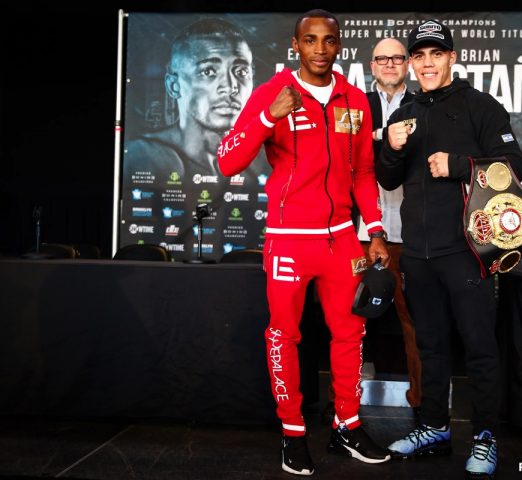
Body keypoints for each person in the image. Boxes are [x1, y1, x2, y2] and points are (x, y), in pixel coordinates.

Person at [217, 9, 391, 476]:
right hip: (290, 240)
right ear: (295, 45)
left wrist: (374, 231)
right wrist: (264, 119)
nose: (319, 49)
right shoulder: (271, 94)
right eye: (310, 40)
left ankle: (347, 425)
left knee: (351, 335)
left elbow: (364, 173)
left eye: (328, 41)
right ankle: (292, 432)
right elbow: (228, 162)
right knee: (285, 336)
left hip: (342, 242)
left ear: (339, 46)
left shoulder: (354, 99)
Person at [377, 20, 522, 478]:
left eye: (435, 55)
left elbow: (515, 165)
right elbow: (387, 179)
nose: (426, 63)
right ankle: (435, 428)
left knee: (479, 348)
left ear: (451, 58)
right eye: (419, 55)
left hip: (466, 251)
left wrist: (461, 165)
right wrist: (392, 146)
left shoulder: (480, 106)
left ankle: (484, 436)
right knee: (431, 346)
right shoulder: (404, 109)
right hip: (417, 253)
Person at [357, 38, 422, 410]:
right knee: (349, 322)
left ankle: (421, 404)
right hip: (360, 233)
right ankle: (344, 404)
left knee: (414, 323)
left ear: (407, 64)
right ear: (372, 65)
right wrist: (384, 136)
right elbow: (343, 149)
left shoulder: (421, 105)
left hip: (408, 233)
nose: (390, 64)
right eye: (383, 58)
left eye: (398, 58)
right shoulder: (357, 105)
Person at [125, 17, 255, 178]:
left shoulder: (261, 162)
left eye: (241, 72)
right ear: (174, 85)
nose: (230, 87)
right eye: (208, 72)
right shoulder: (144, 156)